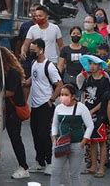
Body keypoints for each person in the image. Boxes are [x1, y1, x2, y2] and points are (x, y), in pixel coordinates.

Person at [25, 38, 64, 174]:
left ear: (41, 50)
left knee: (43, 134)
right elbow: (33, 78)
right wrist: (25, 82)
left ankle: (50, 162)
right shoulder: (34, 63)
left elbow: (59, 85)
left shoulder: (50, 67)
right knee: (35, 133)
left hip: (45, 105)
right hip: (35, 105)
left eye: (33, 50)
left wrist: (51, 99)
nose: (31, 52)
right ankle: (39, 161)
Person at [50, 84, 94, 186]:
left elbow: (90, 126)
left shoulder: (81, 108)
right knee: (55, 171)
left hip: (76, 144)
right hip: (60, 143)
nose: (63, 97)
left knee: (74, 174)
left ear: (73, 96)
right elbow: (54, 125)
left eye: (66, 94)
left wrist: (83, 142)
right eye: (61, 94)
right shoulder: (58, 108)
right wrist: (54, 139)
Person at [78, 55, 110, 177]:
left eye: (94, 64)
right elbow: (84, 96)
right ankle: (93, 166)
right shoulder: (88, 79)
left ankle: (101, 167)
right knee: (91, 141)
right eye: (90, 64)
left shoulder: (105, 81)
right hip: (88, 114)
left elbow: (105, 100)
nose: (91, 66)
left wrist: (91, 111)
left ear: (99, 66)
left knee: (101, 141)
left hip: (100, 115)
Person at [1, 47, 30, 179]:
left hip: (14, 111)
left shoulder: (12, 73)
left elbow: (10, 92)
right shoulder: (9, 71)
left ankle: (23, 167)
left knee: (15, 139)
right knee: (15, 138)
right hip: (10, 110)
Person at [15, 3, 40, 78]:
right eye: (32, 11)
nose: (33, 13)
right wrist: (17, 55)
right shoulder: (25, 26)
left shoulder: (45, 26)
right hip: (27, 60)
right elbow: (19, 42)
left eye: (35, 10)